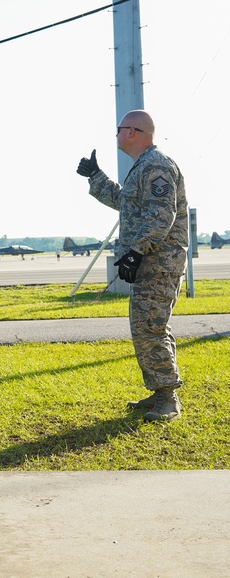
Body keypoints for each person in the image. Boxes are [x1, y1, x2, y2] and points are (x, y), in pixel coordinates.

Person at [76, 110, 189, 421]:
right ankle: (160, 392)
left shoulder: (157, 165)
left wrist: (136, 252)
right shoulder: (143, 166)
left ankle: (168, 398)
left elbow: (160, 216)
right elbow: (125, 200)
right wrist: (95, 176)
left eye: (120, 128)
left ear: (134, 132)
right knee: (148, 325)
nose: (116, 134)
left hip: (158, 262)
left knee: (149, 326)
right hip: (150, 261)